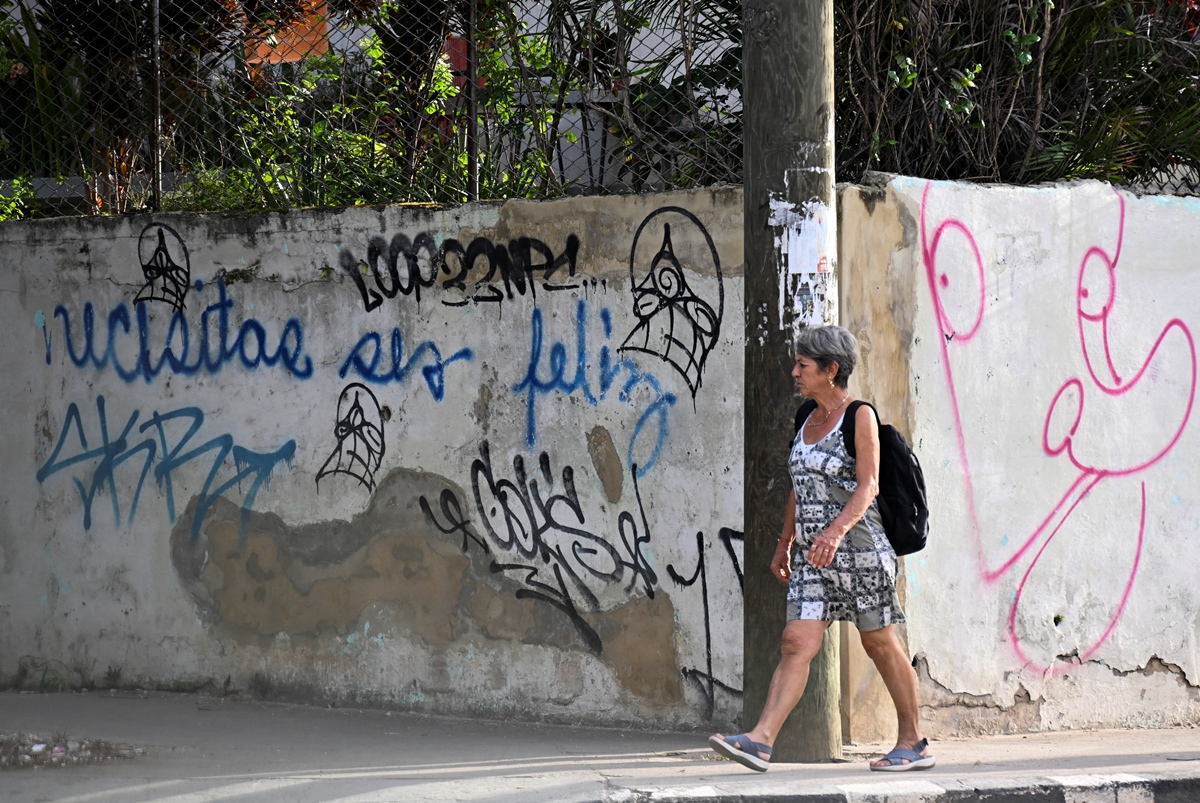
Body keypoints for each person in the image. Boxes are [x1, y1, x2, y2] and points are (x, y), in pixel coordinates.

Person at [709, 325, 934, 773]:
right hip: (814, 555)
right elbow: (800, 484)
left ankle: (913, 742)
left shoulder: (859, 416)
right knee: (796, 641)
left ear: (831, 370)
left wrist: (834, 533)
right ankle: (760, 740)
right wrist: (786, 540)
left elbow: (868, 486)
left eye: (803, 366)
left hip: (859, 551)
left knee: (879, 644)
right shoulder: (804, 418)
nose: (794, 372)